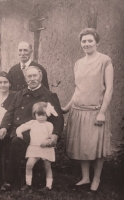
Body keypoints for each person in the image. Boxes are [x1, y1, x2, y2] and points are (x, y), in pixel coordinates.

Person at [62, 28, 113, 192]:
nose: (87, 44)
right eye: (84, 41)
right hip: (78, 111)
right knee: (82, 147)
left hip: (95, 111)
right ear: (80, 43)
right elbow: (78, 89)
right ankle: (85, 177)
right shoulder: (78, 63)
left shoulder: (105, 61)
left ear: (97, 42)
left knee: (97, 148)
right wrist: (66, 108)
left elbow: (109, 90)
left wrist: (102, 112)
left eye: (90, 40)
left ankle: (96, 178)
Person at [0, 66, 64, 191]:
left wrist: (55, 135)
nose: (32, 79)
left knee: (16, 142)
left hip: (31, 133)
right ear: (25, 78)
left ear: (40, 77)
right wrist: (3, 127)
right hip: (13, 130)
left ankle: (9, 180)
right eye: (29, 76)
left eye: (35, 76)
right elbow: (9, 113)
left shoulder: (49, 95)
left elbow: (58, 119)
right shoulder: (19, 94)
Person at [16, 102, 56, 192]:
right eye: (39, 115)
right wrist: (19, 132)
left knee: (47, 167)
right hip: (34, 147)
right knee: (29, 164)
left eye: (44, 115)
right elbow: (21, 127)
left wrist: (47, 142)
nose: (41, 117)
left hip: (46, 148)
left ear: (48, 115)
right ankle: (28, 183)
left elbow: (51, 137)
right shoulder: (32, 123)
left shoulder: (49, 125)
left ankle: (48, 186)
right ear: (34, 114)